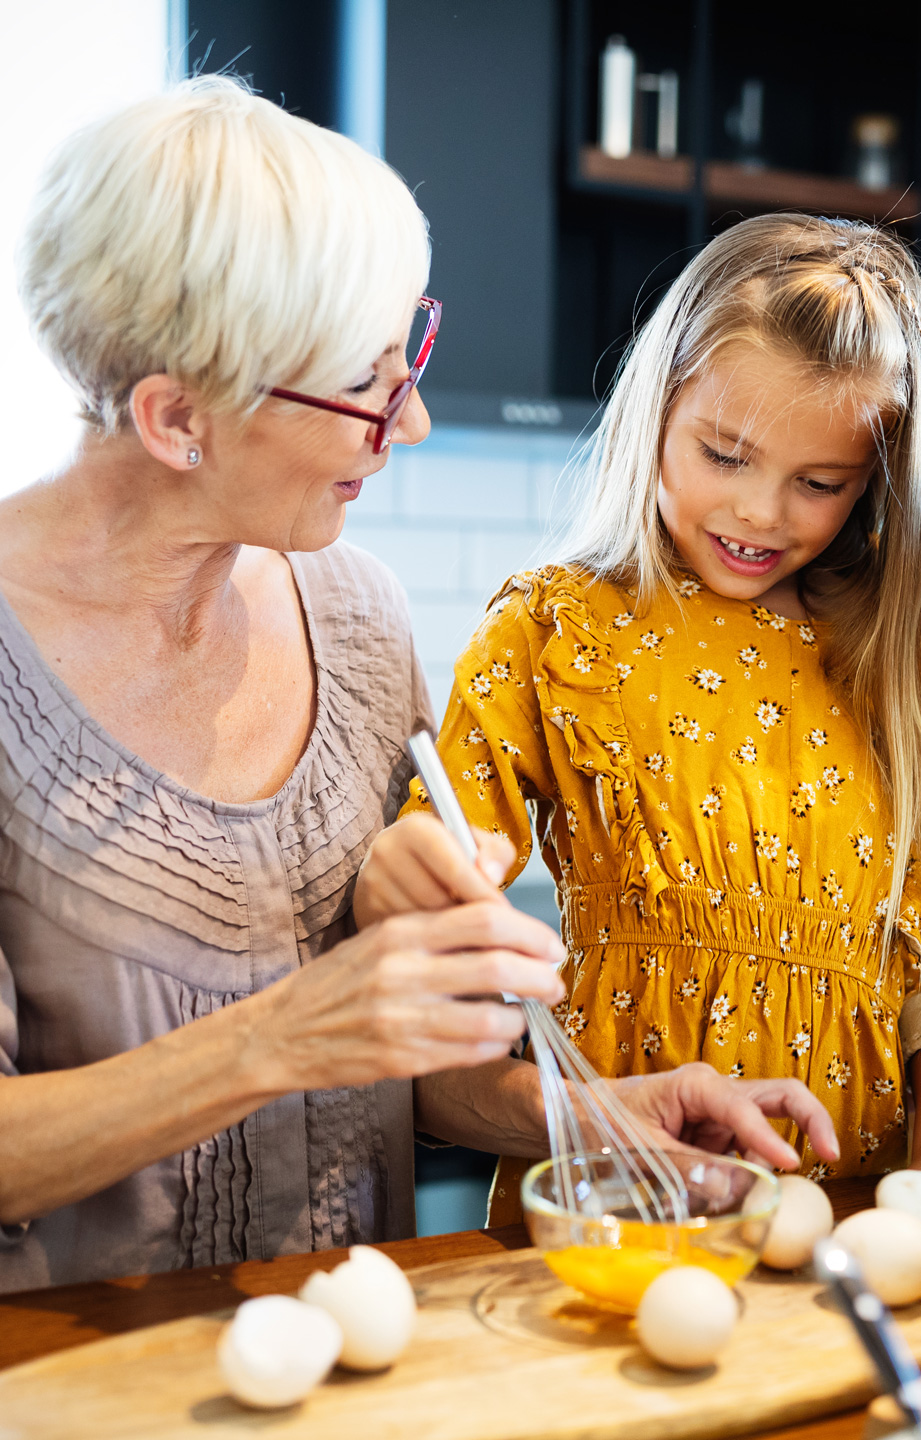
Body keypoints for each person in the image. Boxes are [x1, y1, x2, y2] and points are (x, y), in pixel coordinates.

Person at [0, 80, 835, 1293]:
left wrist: (597, 1112)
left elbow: (405, 1066)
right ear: (178, 419)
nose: (417, 419)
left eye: (412, 356)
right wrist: (280, 1036)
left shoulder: (356, 615)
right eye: (367, 386)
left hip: (368, 1353)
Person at [356, 215, 921, 1229]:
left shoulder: (910, 682)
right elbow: (442, 873)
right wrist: (403, 872)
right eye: (726, 455)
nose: (762, 513)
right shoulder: (557, 632)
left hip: (849, 1210)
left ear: (876, 483)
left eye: (819, 485)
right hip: (613, 1203)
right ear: (657, 411)